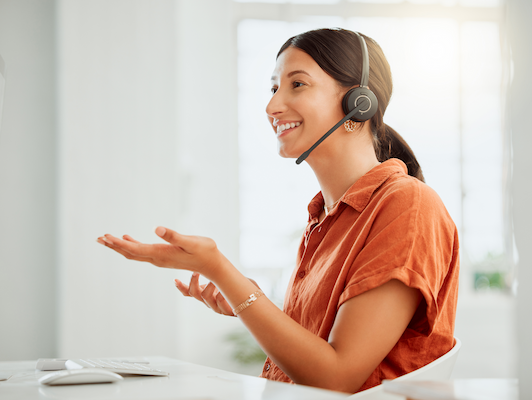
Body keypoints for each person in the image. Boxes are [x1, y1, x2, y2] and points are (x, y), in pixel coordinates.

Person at [97, 28, 459, 394]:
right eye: (273, 89)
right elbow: (314, 357)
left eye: (297, 85)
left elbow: (336, 377)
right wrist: (247, 301)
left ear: (359, 103)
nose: (272, 107)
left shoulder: (408, 206)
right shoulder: (325, 218)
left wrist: (219, 269)